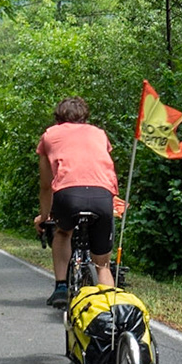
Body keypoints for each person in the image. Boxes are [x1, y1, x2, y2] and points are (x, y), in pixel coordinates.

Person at [34, 96, 120, 307]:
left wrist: (44, 217)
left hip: (68, 194)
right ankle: (109, 310)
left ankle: (61, 288)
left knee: (63, 232)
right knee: (103, 265)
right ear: (85, 117)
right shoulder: (99, 134)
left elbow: (46, 186)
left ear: (58, 118)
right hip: (103, 194)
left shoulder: (50, 135)